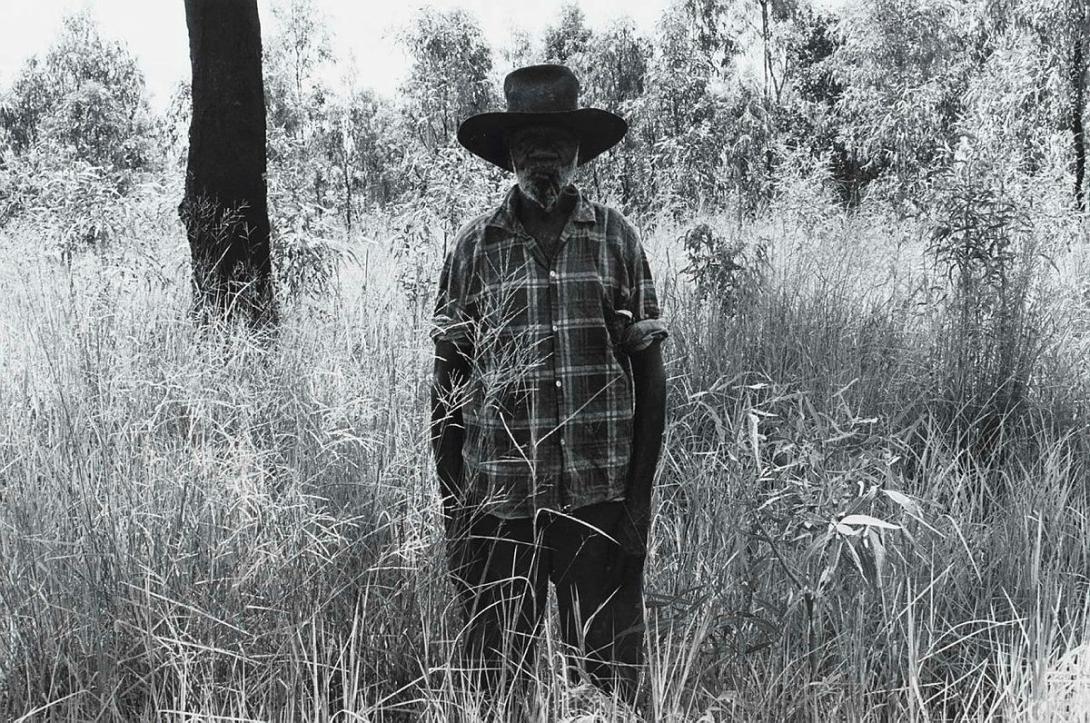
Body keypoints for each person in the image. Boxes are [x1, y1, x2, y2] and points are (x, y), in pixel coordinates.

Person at [429, 64, 668, 709]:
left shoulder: (618, 240)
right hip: (499, 502)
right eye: (529, 138)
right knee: (499, 684)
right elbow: (447, 385)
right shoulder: (473, 248)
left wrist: (637, 506)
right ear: (509, 152)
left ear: (577, 151)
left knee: (613, 681)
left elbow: (650, 379)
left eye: (557, 138)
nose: (543, 151)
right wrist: (456, 512)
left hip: (599, 498)